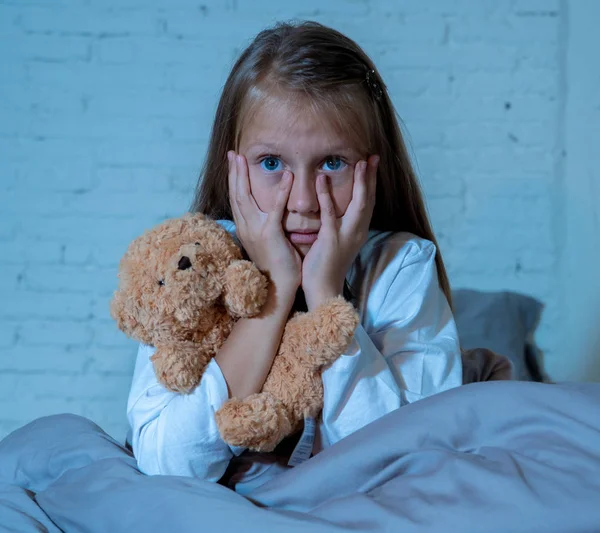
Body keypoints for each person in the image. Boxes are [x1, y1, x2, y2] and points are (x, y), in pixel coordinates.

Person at [126, 20, 463, 491]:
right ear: (234, 167)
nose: (303, 200)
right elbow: (169, 467)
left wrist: (325, 295)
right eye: (271, 163)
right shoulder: (188, 267)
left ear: (372, 169)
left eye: (332, 163)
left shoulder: (400, 267)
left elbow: (409, 461)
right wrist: (275, 288)